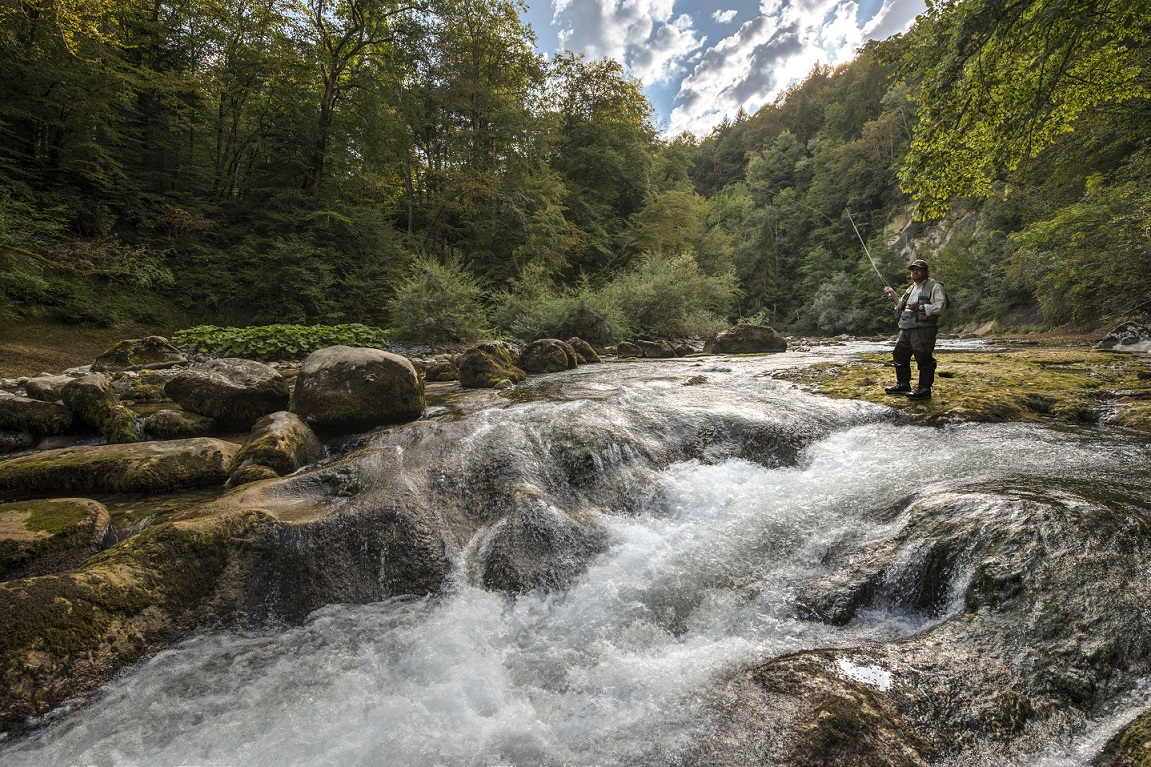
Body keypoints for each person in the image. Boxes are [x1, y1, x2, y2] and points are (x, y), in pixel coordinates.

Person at [883, 259, 946, 400]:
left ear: (926, 272)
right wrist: (892, 293)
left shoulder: (935, 286)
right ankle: (903, 384)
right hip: (906, 328)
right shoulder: (911, 288)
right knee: (899, 355)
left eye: (918, 269)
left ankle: (924, 389)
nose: (914, 272)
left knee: (923, 358)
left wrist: (921, 307)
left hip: (923, 329)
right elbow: (900, 306)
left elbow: (941, 306)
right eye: (912, 270)